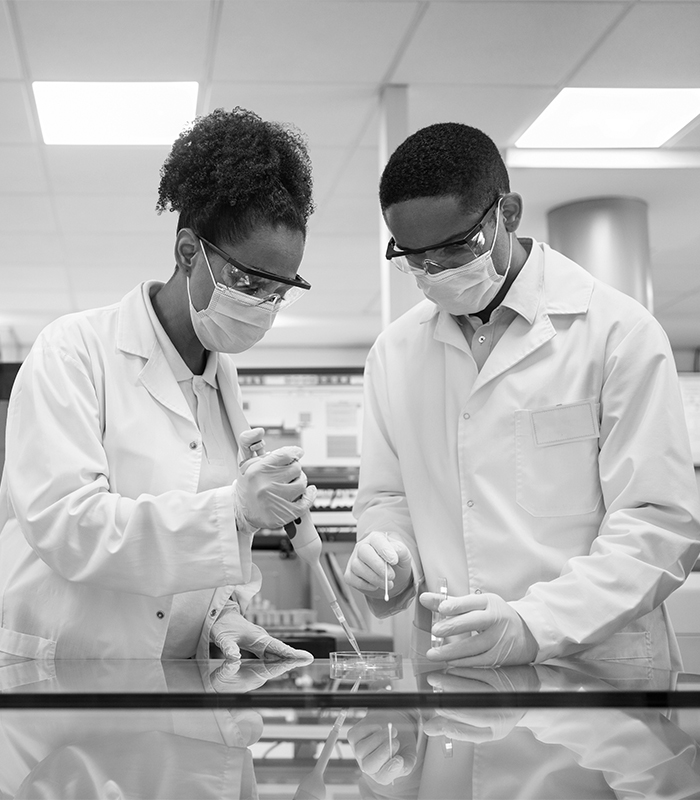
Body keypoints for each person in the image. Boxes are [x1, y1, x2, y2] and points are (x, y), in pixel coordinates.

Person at [344, 122, 700, 669]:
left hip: (594, 673)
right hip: (454, 668)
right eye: (414, 257)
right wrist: (389, 553)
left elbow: (657, 522)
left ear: (507, 213)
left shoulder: (617, 333)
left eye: (455, 247)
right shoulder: (395, 354)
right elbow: (389, 499)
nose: (434, 271)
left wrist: (535, 624)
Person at [0, 107, 317, 660]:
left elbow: (197, 539)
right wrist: (234, 510)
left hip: (174, 683)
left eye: (280, 289)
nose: (264, 304)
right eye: (248, 280)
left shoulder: (222, 383)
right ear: (189, 252)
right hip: (66, 677)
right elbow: (67, 526)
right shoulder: (74, 351)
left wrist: (223, 614)